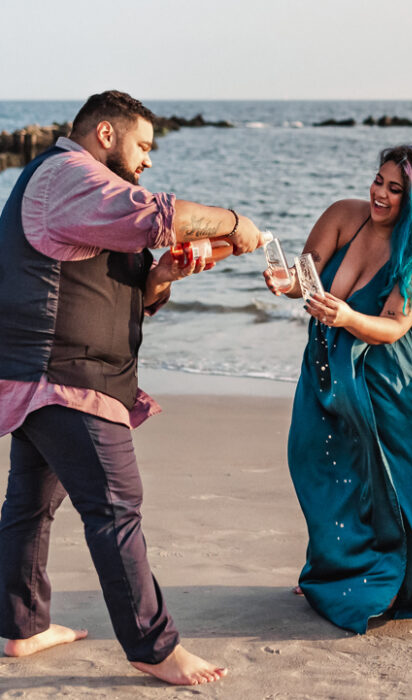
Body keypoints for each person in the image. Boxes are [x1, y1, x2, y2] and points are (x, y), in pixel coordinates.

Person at [0, 90, 265, 685]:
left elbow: (118, 290)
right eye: (143, 145)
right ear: (104, 135)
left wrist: (162, 275)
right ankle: (153, 646)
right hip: (67, 380)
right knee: (116, 507)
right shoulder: (70, 174)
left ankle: (22, 627)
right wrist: (234, 223)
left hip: (50, 378)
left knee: (30, 505)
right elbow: (160, 213)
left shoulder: (80, 193)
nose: (147, 160)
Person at [264, 144, 412, 633]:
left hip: (395, 381)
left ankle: (393, 579)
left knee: (392, 479)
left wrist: (348, 315)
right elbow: (306, 275)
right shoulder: (343, 216)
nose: (379, 193)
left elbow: (395, 326)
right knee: (318, 460)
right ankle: (335, 567)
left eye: (394, 189)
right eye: (378, 180)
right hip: (330, 366)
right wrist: (284, 281)